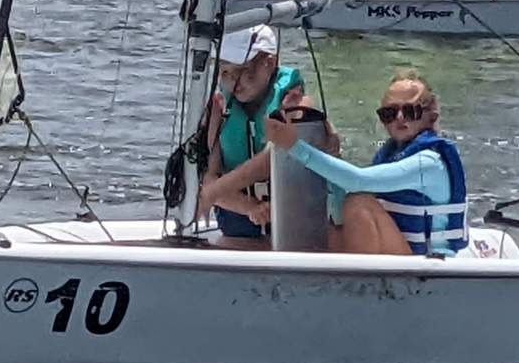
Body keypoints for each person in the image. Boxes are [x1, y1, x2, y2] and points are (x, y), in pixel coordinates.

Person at [264, 70, 468, 257]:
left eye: (409, 111)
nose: (398, 118)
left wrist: (295, 146)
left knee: (360, 204)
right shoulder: (392, 154)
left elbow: (357, 181)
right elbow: (341, 205)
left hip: (429, 262)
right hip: (405, 256)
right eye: (389, 114)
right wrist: (332, 154)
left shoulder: (429, 163)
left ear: (431, 117)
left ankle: (355, 288)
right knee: (337, 221)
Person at [199, 24, 306, 247]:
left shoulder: (294, 100)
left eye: (243, 71)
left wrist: (214, 191)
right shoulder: (219, 107)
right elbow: (210, 176)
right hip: (238, 215)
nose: (234, 83)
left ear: (269, 62)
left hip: (289, 216)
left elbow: (272, 158)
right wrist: (249, 207)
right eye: (226, 72)